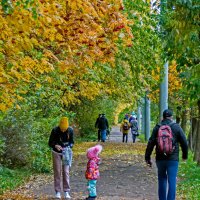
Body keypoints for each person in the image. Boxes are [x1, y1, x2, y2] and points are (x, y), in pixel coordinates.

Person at [145, 109, 188, 200]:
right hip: (173, 158)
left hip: (160, 158)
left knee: (162, 179)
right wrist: (185, 155)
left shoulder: (157, 127)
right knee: (172, 180)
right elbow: (184, 142)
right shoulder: (176, 127)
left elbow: (151, 143)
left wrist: (147, 157)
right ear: (171, 117)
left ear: (162, 117)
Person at [48, 117, 74, 199]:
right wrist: (56, 145)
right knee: (57, 172)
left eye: (64, 129)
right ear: (59, 127)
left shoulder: (70, 130)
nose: (63, 130)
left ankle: (66, 191)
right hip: (56, 153)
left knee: (66, 172)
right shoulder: (55, 130)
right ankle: (58, 192)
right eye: (62, 129)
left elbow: (72, 142)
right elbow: (50, 142)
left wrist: (69, 146)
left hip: (66, 153)